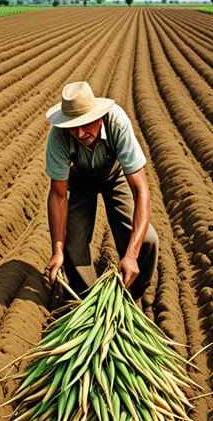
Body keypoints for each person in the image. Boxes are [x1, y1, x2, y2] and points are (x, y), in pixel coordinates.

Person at [44, 81, 158, 300]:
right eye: (72, 126)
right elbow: (58, 195)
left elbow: (140, 190)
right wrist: (57, 251)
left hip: (115, 176)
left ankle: (131, 295)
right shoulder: (58, 136)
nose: (79, 132)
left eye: (85, 123)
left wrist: (131, 255)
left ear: (99, 116)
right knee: (72, 243)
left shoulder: (117, 122)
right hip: (79, 181)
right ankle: (89, 299)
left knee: (147, 241)